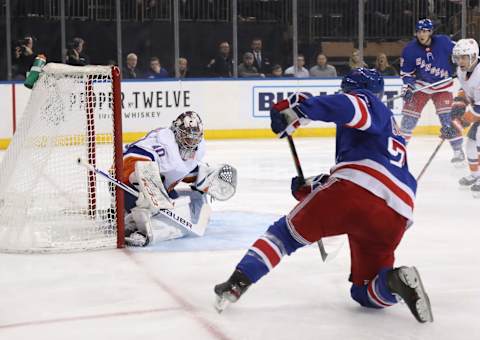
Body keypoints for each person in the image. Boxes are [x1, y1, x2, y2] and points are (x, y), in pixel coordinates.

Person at [214, 68, 433, 324]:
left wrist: (300, 110)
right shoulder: (387, 130)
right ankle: (395, 282)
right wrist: (310, 187)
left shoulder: (368, 102)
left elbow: (350, 108)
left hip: (358, 191)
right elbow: (362, 172)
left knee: (283, 235)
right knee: (364, 292)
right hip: (396, 213)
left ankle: (236, 283)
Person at [121, 111, 237, 246]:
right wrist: (150, 188)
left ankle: (135, 215)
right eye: (187, 137)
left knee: (177, 207)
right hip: (123, 182)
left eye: (195, 138)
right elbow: (129, 159)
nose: (191, 142)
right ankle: (131, 224)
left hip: (159, 183)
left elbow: (178, 170)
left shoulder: (194, 150)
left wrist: (203, 177)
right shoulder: (162, 144)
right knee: (144, 190)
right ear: (177, 132)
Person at [399, 18, 464, 164]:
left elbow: (461, 52)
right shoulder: (409, 49)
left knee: (447, 120)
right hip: (421, 86)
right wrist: (408, 86)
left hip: (443, 87)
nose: (422, 34)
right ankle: (399, 150)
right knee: (408, 120)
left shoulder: (444, 42)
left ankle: (458, 150)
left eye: (425, 31)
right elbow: (407, 73)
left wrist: (461, 66)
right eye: (419, 31)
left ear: (431, 32)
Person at [451, 39, 480, 197]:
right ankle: (476, 175)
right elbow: (466, 91)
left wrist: (459, 124)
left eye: (464, 57)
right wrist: (459, 104)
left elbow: (478, 109)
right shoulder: (462, 71)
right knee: (470, 144)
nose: (460, 61)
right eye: (458, 57)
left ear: (474, 56)